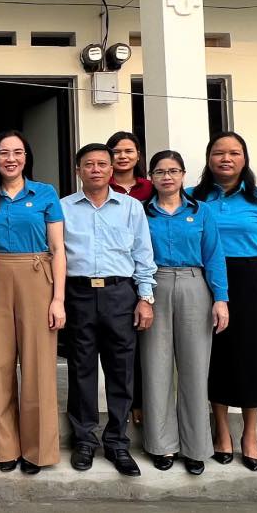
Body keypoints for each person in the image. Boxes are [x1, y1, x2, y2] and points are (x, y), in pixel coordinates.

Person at [189, 132, 257, 472]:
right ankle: (221, 431)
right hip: (205, 280)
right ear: (209, 159)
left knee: (253, 357)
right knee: (215, 355)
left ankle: (250, 434)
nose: (226, 158)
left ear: (244, 159)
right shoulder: (192, 197)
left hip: (251, 281)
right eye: (219, 153)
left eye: (234, 153)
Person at [60, 143, 157, 477]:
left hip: (120, 293)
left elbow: (143, 253)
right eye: (89, 164)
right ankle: (84, 440)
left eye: (102, 164)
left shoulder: (131, 207)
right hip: (79, 294)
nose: (96, 169)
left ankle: (117, 441)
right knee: (81, 369)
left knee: (121, 370)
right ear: (78, 170)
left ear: (111, 170)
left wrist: (145, 298)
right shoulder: (64, 208)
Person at [0, 131, 66, 476]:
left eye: (17, 152)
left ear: (26, 157)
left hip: (37, 275)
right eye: (4, 153)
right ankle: (4, 447)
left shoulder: (45, 193)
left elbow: (58, 249)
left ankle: (38, 450)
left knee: (38, 367)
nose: (11, 159)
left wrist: (58, 299)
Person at [140, 150, 229, 476]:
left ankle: (195, 447)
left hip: (194, 284)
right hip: (155, 285)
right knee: (156, 366)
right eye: (160, 171)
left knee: (194, 368)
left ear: (182, 175)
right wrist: (142, 295)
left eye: (173, 171)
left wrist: (221, 299)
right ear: (151, 177)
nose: (167, 177)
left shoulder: (201, 212)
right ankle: (161, 444)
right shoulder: (142, 212)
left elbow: (214, 256)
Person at [106, 130, 152, 426]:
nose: (122, 156)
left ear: (138, 155)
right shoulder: (101, 186)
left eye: (128, 151)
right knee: (123, 347)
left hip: (147, 270)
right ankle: (132, 403)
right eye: (116, 151)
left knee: (146, 344)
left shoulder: (151, 189)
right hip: (117, 276)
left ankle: (144, 402)